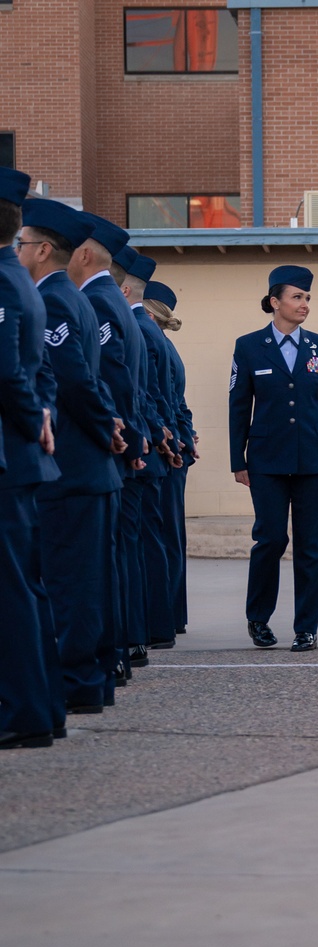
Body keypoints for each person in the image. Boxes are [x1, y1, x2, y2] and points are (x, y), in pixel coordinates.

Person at [21, 199, 124, 716]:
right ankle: (91, 681)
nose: (15, 251)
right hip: (90, 469)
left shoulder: (57, 300)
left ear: (42, 250)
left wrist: (106, 426)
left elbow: (75, 381)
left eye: (20, 244)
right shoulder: (71, 295)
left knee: (71, 584)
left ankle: (77, 682)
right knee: (87, 582)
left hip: (75, 468)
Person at [230, 265, 318, 652]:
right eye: (297, 297)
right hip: (266, 459)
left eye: (308, 298)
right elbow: (238, 406)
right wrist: (238, 460)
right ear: (274, 301)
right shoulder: (248, 346)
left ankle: (306, 628)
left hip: (315, 457)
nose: (305, 305)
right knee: (270, 539)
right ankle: (258, 619)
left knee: (312, 544)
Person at [0, 167, 62, 748]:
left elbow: (8, 374)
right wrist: (42, 417)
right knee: (26, 586)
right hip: (22, 452)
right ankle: (42, 709)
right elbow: (38, 374)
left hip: (8, 457)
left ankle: (23, 714)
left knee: (13, 590)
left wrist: (32, 419)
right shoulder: (15, 279)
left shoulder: (2, 282)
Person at [71, 212, 146, 692]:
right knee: (114, 556)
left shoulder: (97, 303)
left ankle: (111, 654)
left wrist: (124, 436)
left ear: (82, 253)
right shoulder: (110, 302)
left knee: (103, 560)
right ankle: (117, 651)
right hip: (118, 444)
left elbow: (114, 378)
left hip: (105, 446)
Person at [112, 245, 178, 652]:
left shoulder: (139, 328)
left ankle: (144, 631)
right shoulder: (147, 330)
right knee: (151, 541)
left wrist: (154, 435)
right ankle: (155, 626)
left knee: (138, 544)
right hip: (152, 445)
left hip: (141, 449)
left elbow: (143, 394)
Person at [144, 279, 196, 637]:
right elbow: (180, 405)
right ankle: (173, 615)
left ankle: (160, 618)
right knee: (171, 536)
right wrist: (185, 437)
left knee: (159, 537)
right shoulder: (169, 347)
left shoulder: (153, 343)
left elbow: (160, 400)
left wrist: (171, 440)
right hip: (176, 447)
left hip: (164, 451)